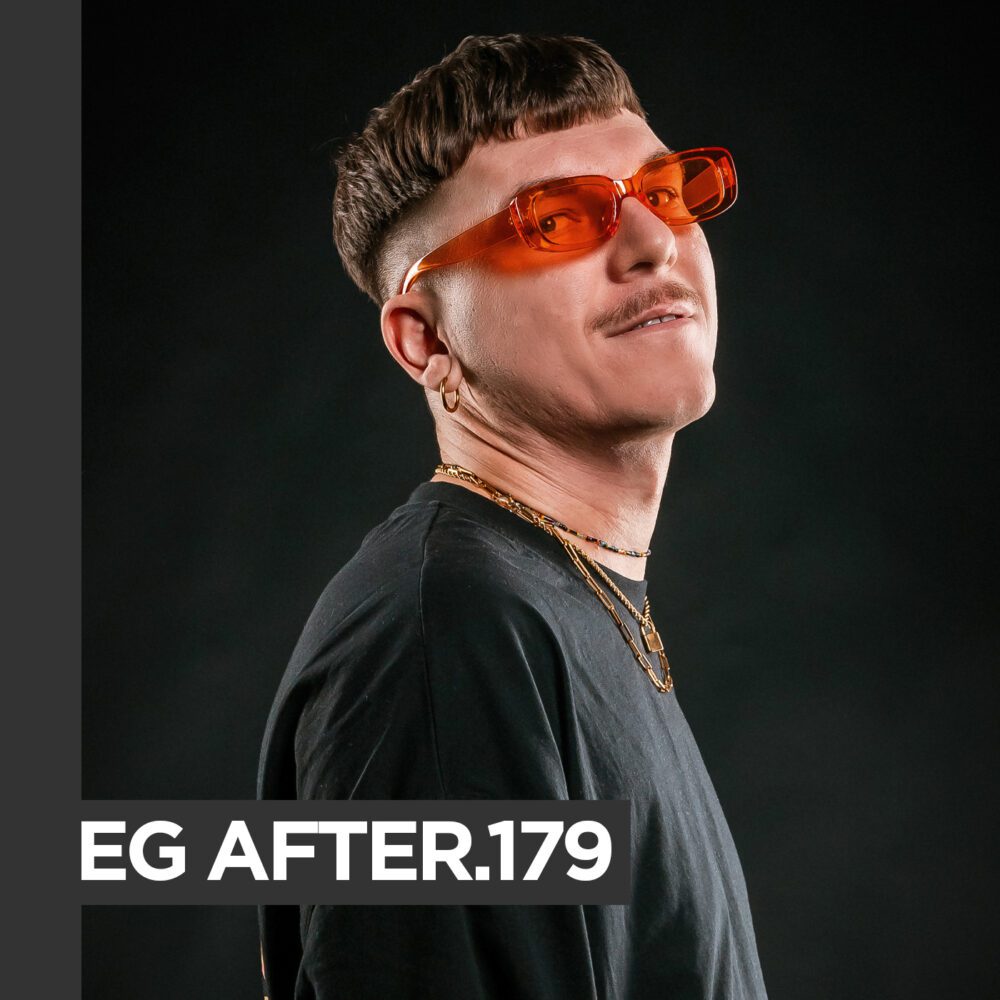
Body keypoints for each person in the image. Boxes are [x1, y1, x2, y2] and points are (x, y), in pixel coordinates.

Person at [258, 32, 767, 1000]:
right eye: (558, 220)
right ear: (425, 339)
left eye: (664, 194)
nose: (653, 242)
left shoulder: (557, 597)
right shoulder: (447, 630)